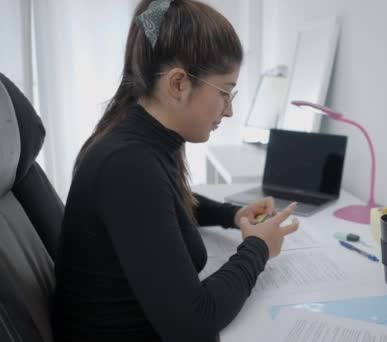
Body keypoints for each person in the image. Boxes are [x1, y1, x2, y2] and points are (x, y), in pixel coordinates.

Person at [52, 1, 299, 341]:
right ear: (179, 84)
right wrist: (257, 248)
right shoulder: (127, 166)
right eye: (225, 92)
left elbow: (162, 202)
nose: (228, 111)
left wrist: (232, 214)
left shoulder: (137, 136)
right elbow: (194, 323)